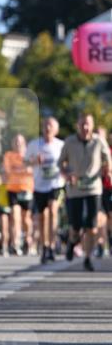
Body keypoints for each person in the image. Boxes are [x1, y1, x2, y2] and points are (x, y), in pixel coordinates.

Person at [59, 112, 111, 272]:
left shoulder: (99, 141)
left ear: (92, 125)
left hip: (94, 188)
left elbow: (107, 160)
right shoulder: (69, 142)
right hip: (75, 190)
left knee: (91, 225)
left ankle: (87, 258)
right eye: (82, 124)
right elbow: (61, 163)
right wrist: (67, 174)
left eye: (88, 124)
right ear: (78, 125)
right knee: (75, 225)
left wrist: (107, 170)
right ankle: (72, 241)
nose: (85, 127)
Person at [26, 117, 64, 263]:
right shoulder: (34, 144)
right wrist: (35, 161)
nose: (48, 128)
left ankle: (53, 245)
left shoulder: (61, 145)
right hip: (39, 185)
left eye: (51, 126)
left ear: (56, 130)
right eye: (46, 125)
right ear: (42, 128)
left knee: (53, 210)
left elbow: (67, 162)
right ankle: (45, 246)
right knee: (42, 217)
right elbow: (25, 161)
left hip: (56, 184)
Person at [3, 134, 34, 255]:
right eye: (15, 142)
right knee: (15, 216)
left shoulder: (29, 155)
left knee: (26, 218)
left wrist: (19, 170)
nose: (17, 144)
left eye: (20, 142)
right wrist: (23, 170)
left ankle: (28, 238)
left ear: (24, 143)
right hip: (12, 189)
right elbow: (8, 171)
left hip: (27, 188)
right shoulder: (8, 155)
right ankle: (16, 243)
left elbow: (32, 169)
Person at [95, 126, 112, 257]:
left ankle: (109, 242)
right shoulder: (91, 152)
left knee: (110, 218)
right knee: (99, 218)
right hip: (96, 190)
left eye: (101, 135)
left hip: (109, 189)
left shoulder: (109, 151)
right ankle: (100, 244)